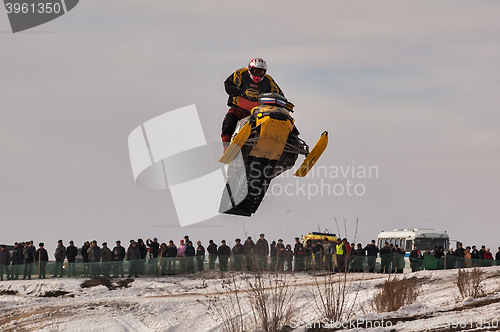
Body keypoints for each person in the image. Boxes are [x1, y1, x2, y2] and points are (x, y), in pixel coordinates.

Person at [221, 58, 286, 150]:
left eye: (261, 72)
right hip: (238, 108)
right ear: (250, 69)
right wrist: (241, 92)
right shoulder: (240, 73)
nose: (258, 75)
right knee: (228, 123)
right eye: (256, 71)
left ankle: (284, 143)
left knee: (276, 120)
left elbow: (278, 93)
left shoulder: (268, 80)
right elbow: (228, 84)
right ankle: (227, 147)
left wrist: (285, 103)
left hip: (257, 112)